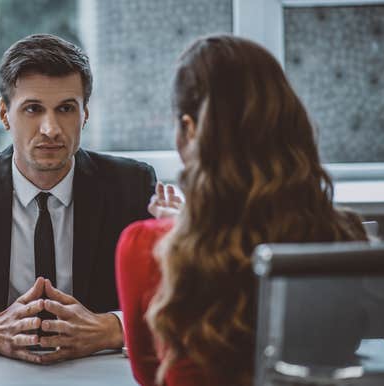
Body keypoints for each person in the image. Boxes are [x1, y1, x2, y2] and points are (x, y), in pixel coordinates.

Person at [115, 34, 369, 386]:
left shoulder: (146, 246)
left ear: (190, 130)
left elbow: (148, 375)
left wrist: (176, 229)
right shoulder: (342, 238)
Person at [0, 34, 157, 363]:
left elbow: (172, 299)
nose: (50, 128)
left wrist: (112, 328)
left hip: (100, 370)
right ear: (4, 114)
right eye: (33, 109)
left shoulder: (132, 185)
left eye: (66, 109)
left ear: (85, 113)